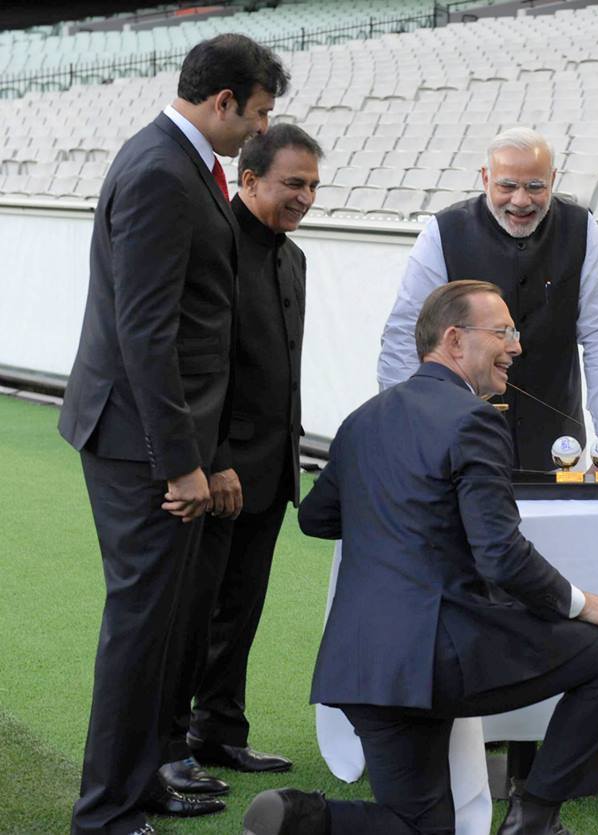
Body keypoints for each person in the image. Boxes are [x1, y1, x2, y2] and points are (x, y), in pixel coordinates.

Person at [243, 280, 598, 835]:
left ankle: (300, 818)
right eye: (503, 332)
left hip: (361, 664)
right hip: (438, 660)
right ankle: (535, 817)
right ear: (455, 340)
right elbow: (501, 555)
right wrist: (581, 603)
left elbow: (317, 518)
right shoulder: (474, 419)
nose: (517, 346)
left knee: (419, 827)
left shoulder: (364, 418)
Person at [58, 34, 288, 835]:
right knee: (142, 626)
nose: (261, 129)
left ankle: (146, 773)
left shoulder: (184, 164)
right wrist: (183, 462)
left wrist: (206, 454)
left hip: (153, 437)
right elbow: (146, 333)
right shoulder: (161, 169)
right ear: (224, 101)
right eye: (259, 113)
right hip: (139, 444)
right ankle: (108, 811)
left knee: (165, 623)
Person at [158, 124, 322, 797]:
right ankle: (165, 745)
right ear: (249, 179)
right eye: (293, 184)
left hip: (270, 470)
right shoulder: (213, 249)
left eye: (312, 185)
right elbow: (196, 366)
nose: (305, 197)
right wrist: (215, 456)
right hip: (215, 472)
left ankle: (218, 729)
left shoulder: (294, 259)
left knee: (239, 611)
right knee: (188, 616)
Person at [377, 127, 598, 471]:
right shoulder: (442, 232)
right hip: (458, 440)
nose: (521, 200)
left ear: (553, 180)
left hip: (557, 446)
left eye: (535, 187)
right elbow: (406, 334)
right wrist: (402, 428)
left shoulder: (582, 229)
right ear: (485, 178)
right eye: (507, 186)